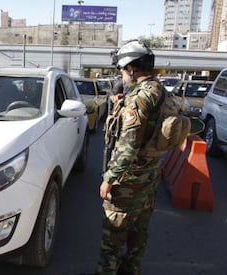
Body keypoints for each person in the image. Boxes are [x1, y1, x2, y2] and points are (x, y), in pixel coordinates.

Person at [94, 40, 167, 275]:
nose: (121, 76)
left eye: (122, 70)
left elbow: (128, 146)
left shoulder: (138, 99)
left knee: (113, 238)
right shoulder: (160, 91)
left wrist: (109, 178)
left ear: (132, 68)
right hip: (150, 176)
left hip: (128, 182)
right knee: (138, 234)